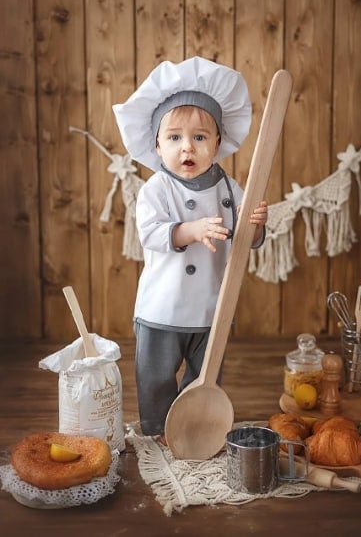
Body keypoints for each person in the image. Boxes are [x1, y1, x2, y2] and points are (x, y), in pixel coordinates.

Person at [113, 56, 267, 442]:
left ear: (218, 143)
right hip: (163, 306)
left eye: (200, 137)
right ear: (157, 144)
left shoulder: (230, 190)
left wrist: (256, 225)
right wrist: (191, 230)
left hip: (211, 305)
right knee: (155, 375)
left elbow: (245, 239)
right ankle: (157, 430)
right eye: (175, 137)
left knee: (205, 374)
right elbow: (150, 233)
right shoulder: (156, 189)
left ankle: (192, 426)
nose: (187, 147)